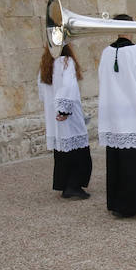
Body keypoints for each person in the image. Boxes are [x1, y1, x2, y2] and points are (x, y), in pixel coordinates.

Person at [97, 15, 136, 218]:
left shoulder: (106, 52)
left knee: (117, 161)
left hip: (113, 115)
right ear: (132, 28)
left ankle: (119, 204)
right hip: (134, 115)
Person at [37, 45, 92, 200]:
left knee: (62, 152)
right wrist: (64, 109)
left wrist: (54, 107)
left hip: (53, 116)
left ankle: (65, 184)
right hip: (67, 116)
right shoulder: (66, 62)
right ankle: (74, 186)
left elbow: (42, 92)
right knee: (77, 151)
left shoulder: (45, 65)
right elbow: (69, 86)